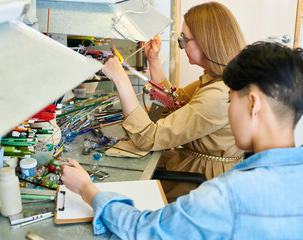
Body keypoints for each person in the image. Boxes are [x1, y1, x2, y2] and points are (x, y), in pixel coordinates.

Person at [61, 41, 303, 238]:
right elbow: (174, 99)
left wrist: (87, 190)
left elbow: (143, 231)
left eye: (231, 100)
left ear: (253, 104)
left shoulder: (226, 195)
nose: (228, 110)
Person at [102, 2, 246, 201]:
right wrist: (153, 60)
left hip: (201, 184)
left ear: (206, 41)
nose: (182, 45)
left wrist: (121, 80)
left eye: (184, 39)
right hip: (194, 167)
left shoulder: (220, 95)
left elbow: (147, 138)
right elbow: (173, 102)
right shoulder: (218, 78)